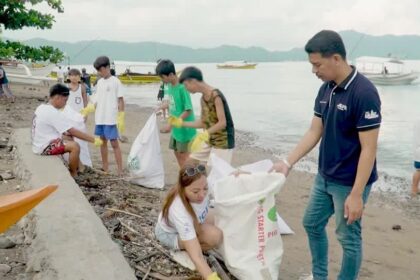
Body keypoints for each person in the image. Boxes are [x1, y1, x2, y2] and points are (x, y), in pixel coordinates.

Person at [271, 30, 381, 280]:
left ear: (336, 59)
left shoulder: (364, 93)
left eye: (317, 64)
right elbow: (314, 130)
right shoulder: (325, 90)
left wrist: (356, 195)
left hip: (350, 183)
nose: (314, 70)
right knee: (311, 223)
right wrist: (288, 162)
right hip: (324, 176)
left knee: (348, 238)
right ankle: (319, 276)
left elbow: (369, 149)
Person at [155, 160, 222, 280]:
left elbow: (225, 182)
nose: (202, 195)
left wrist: (240, 174)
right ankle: (182, 251)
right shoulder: (179, 209)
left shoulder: (201, 183)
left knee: (221, 216)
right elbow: (197, 256)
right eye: (195, 191)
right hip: (169, 234)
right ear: (183, 189)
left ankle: (192, 242)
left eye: (205, 188)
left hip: (194, 219)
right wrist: (212, 278)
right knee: (214, 236)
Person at [31, 84, 102, 177]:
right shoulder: (52, 112)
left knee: (68, 137)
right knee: (75, 147)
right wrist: (94, 140)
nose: (65, 103)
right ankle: (73, 174)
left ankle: (81, 167)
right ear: (57, 97)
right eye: (65, 100)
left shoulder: (42, 107)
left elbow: (67, 132)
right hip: (43, 147)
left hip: (40, 142)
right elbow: (73, 131)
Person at [170, 66, 235, 164]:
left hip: (223, 141)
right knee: (190, 162)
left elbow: (222, 123)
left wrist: (204, 134)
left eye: (186, 86)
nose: (186, 90)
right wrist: (181, 123)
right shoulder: (203, 99)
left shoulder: (216, 95)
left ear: (193, 81)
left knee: (219, 173)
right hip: (210, 139)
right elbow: (203, 123)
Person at [83, 56, 125, 175]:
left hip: (110, 118)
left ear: (107, 67)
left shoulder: (115, 81)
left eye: (100, 70)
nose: (99, 73)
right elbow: (96, 99)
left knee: (114, 143)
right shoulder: (100, 82)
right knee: (102, 142)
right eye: (98, 71)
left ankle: (120, 169)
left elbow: (121, 100)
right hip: (100, 117)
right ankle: (105, 167)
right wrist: (88, 108)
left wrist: (121, 116)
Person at [156, 60, 196, 167]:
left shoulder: (183, 88)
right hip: (176, 129)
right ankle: (184, 177)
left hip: (185, 130)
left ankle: (191, 180)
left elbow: (188, 110)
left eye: (163, 77)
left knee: (185, 156)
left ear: (171, 74)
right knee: (177, 152)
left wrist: (171, 124)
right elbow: (171, 101)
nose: (162, 80)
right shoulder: (169, 86)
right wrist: (162, 106)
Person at [412, 121, 420, 197]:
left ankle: (415, 189)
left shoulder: (417, 123)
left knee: (418, 170)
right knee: (419, 171)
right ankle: (414, 190)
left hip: (417, 151)